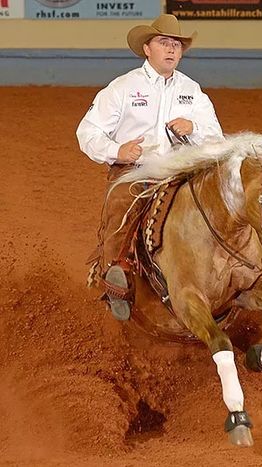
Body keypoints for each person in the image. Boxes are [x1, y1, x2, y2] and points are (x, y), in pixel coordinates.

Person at [76, 14, 224, 321]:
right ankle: (115, 277)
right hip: (136, 170)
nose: (171, 50)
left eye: (176, 45)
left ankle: (249, 269)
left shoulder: (192, 91)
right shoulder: (123, 88)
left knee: (224, 205)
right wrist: (118, 150)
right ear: (147, 48)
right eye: (164, 43)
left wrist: (192, 126)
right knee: (121, 207)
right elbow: (87, 132)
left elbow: (217, 139)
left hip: (182, 172)